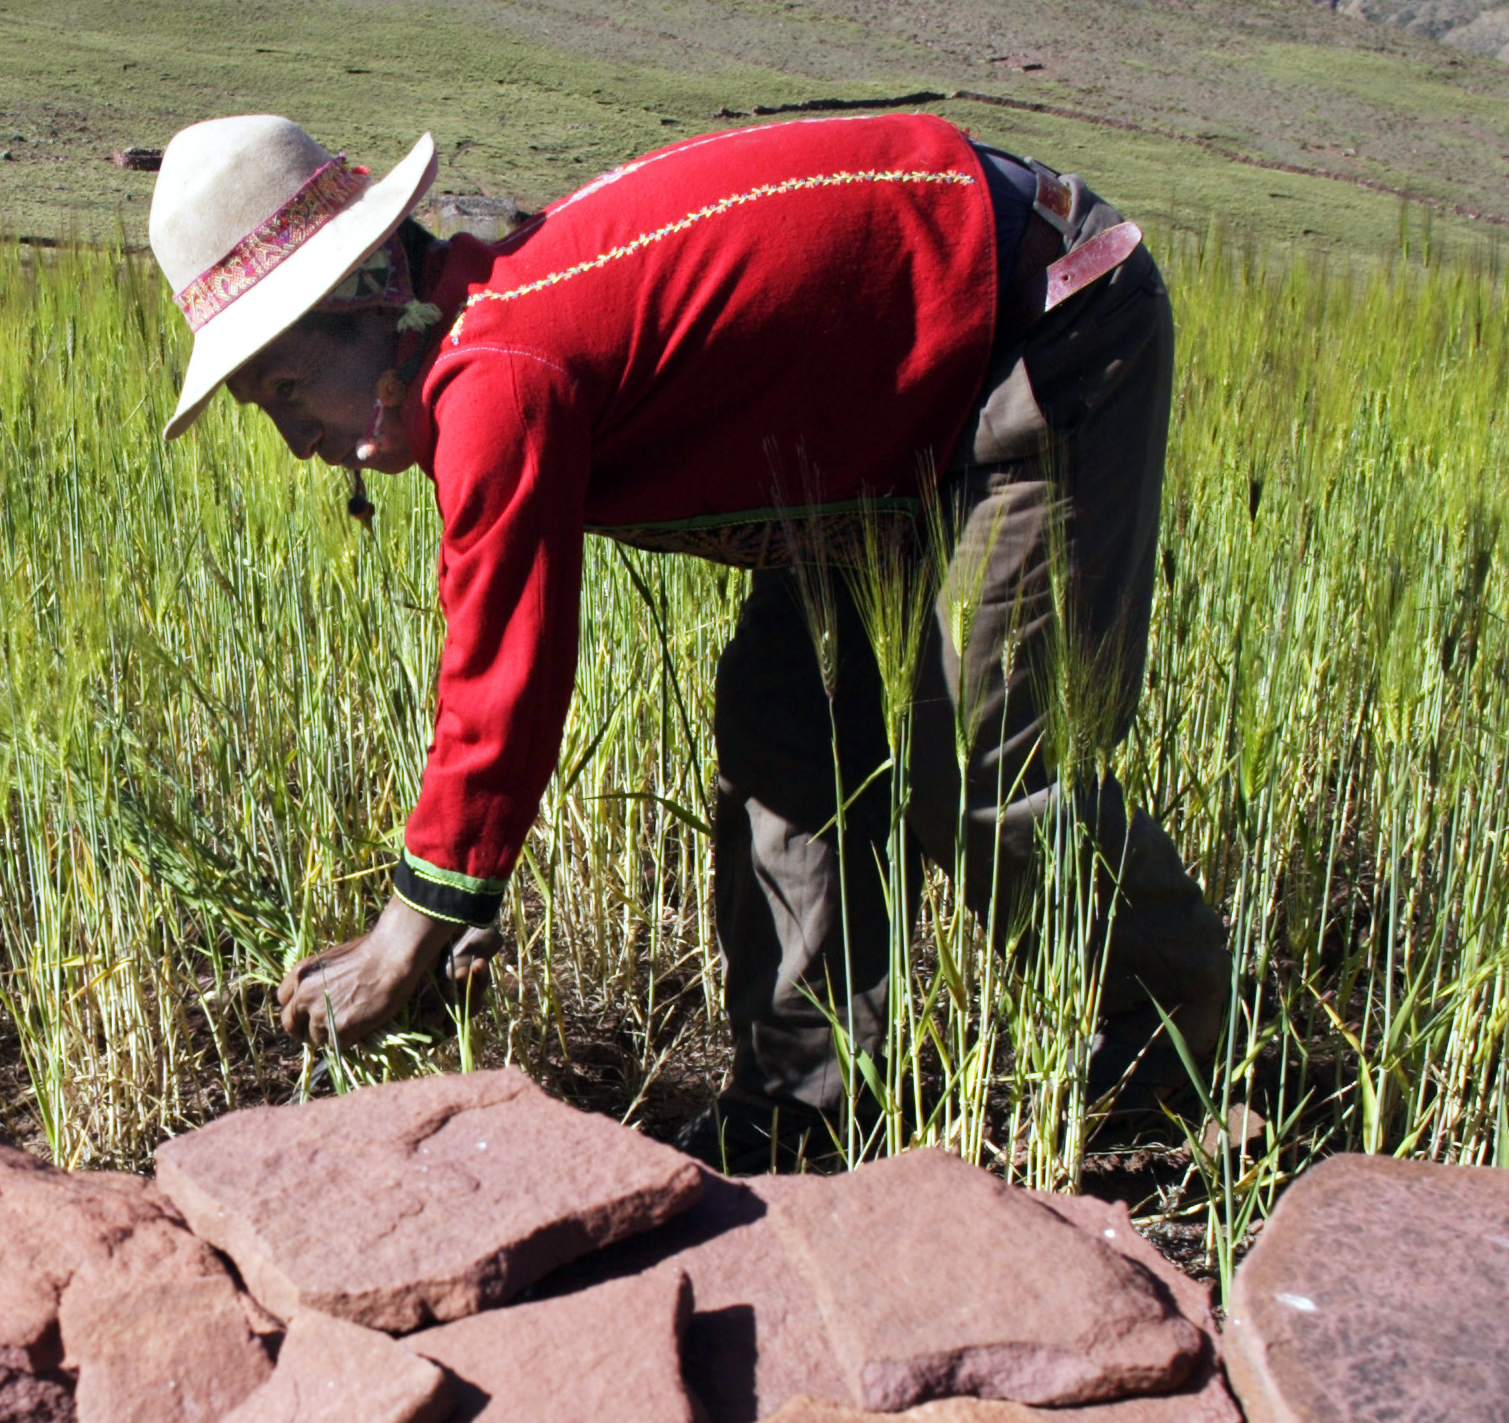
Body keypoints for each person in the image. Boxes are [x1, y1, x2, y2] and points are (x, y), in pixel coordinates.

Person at [146, 109, 1229, 1168]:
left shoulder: (499, 368)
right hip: (891, 408)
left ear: (372, 294)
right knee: (789, 738)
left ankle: (1197, 1075)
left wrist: (414, 928)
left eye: (287, 387)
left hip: (1035, 320)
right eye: (264, 407)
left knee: (986, 758)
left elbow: (501, 676)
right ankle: (804, 1111)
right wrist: (463, 898)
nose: (295, 441)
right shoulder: (473, 330)